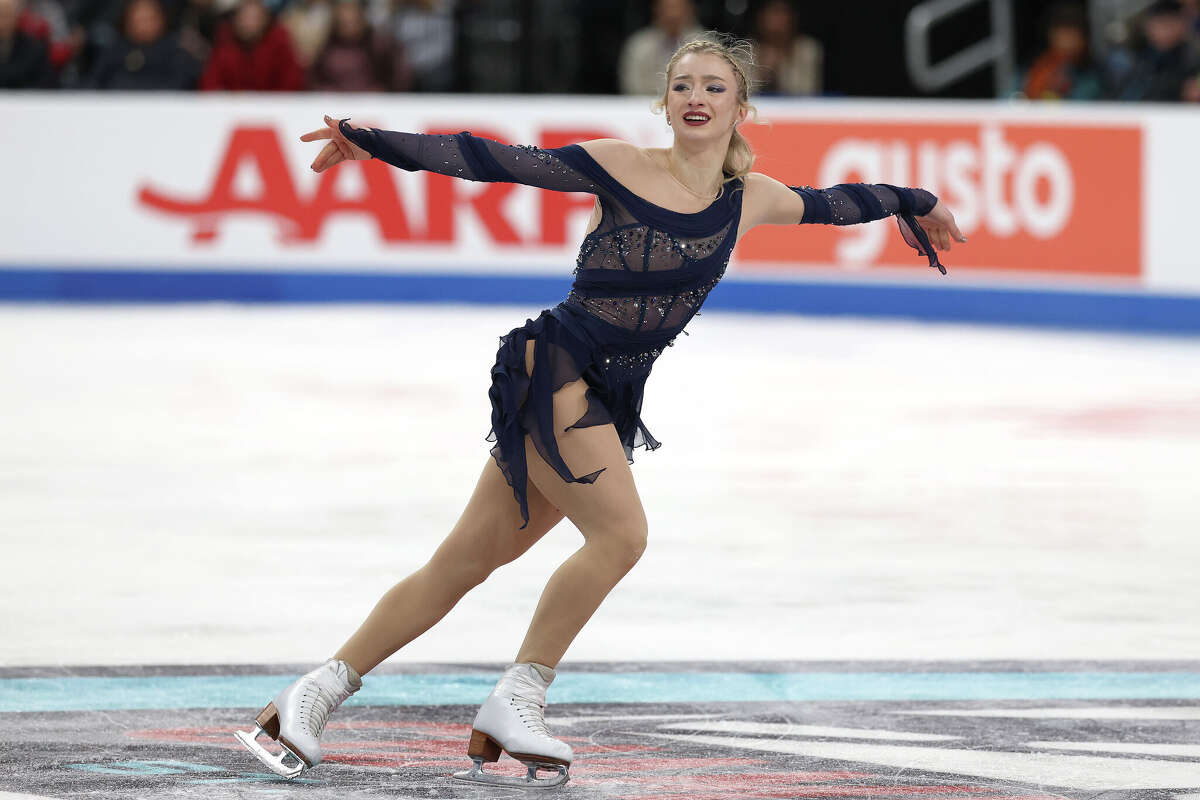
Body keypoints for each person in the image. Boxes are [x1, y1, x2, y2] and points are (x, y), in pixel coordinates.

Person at [232, 32, 964, 789]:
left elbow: (839, 203)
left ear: (741, 108)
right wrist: (375, 142)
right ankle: (520, 697)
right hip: (553, 368)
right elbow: (493, 159)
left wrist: (918, 202)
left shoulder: (751, 199)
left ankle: (307, 696)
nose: (697, 98)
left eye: (714, 87)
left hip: (606, 396)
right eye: (683, 85)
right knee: (621, 536)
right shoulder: (619, 164)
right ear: (664, 100)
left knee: (464, 562)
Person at [83, 0, 199, 88]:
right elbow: (94, 82)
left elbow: (181, 83)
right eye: (137, 20)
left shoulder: (175, 51)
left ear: (161, 20)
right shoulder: (114, 49)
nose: (143, 26)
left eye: (148, 20)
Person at [1105, 0, 1200, 101]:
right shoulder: (1134, 59)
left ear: (1182, 25)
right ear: (1148, 26)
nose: (1164, 31)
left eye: (1168, 23)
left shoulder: (1191, 61)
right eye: (1159, 23)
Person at [198, 0, 302, 90]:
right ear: (236, 19)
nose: (249, 23)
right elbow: (210, 82)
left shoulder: (279, 43)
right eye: (245, 18)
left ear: (265, 19)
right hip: (233, 108)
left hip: (273, 108)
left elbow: (292, 83)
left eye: (254, 18)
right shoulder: (225, 42)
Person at [1019, 2, 1102, 100]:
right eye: (1061, 38)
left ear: (1083, 40)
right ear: (1051, 37)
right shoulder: (1036, 66)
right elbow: (1009, 99)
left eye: (1071, 38)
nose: (1066, 44)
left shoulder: (1096, 74)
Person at [618, 0, 702, 95]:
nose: (672, 15)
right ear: (656, 10)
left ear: (690, 10)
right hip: (645, 105)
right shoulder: (639, 45)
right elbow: (631, 85)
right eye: (667, 8)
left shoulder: (707, 45)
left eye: (678, 8)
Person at [752, 0, 822, 95]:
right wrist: (762, 71)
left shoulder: (807, 48)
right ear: (760, 17)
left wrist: (780, 65)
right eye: (772, 12)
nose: (777, 19)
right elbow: (742, 95)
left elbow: (807, 90)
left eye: (782, 12)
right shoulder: (747, 49)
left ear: (793, 18)